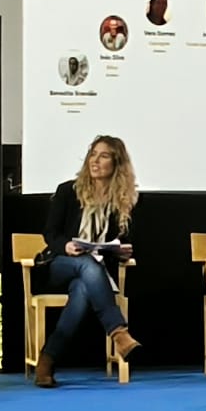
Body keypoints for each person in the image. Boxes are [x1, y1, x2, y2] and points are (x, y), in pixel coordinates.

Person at [32, 135, 141, 388]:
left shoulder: (123, 200)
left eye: (103, 156)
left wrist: (121, 251)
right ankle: (119, 332)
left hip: (94, 275)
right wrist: (66, 246)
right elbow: (50, 233)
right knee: (86, 264)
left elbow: (122, 241)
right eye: (93, 154)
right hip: (60, 265)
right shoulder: (68, 191)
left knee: (82, 288)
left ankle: (47, 360)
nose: (95, 160)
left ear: (116, 163)